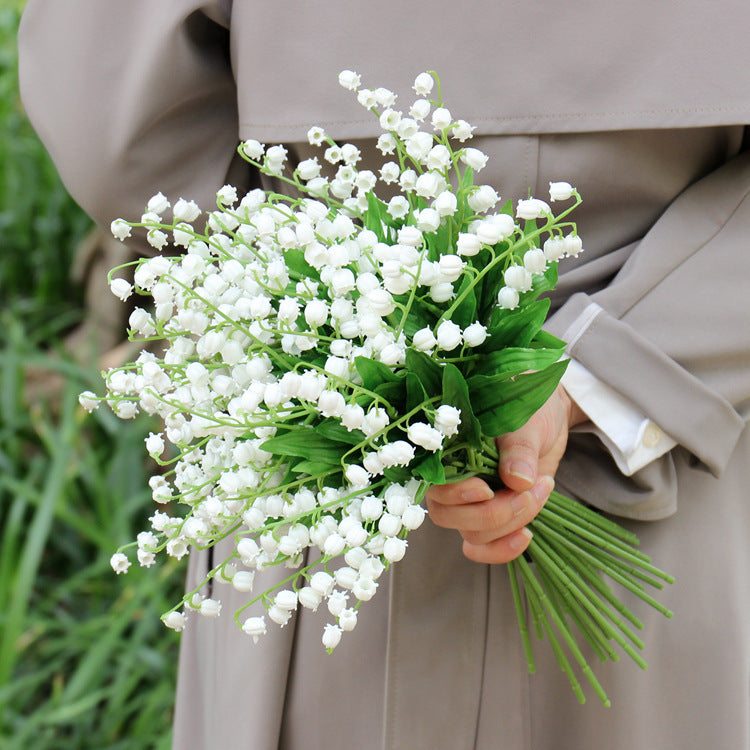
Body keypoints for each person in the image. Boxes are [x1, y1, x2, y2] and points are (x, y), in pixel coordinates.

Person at [18, 1, 750, 748]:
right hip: (673, 446)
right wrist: (604, 371)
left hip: (318, 464)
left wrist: (302, 294)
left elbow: (107, 110)